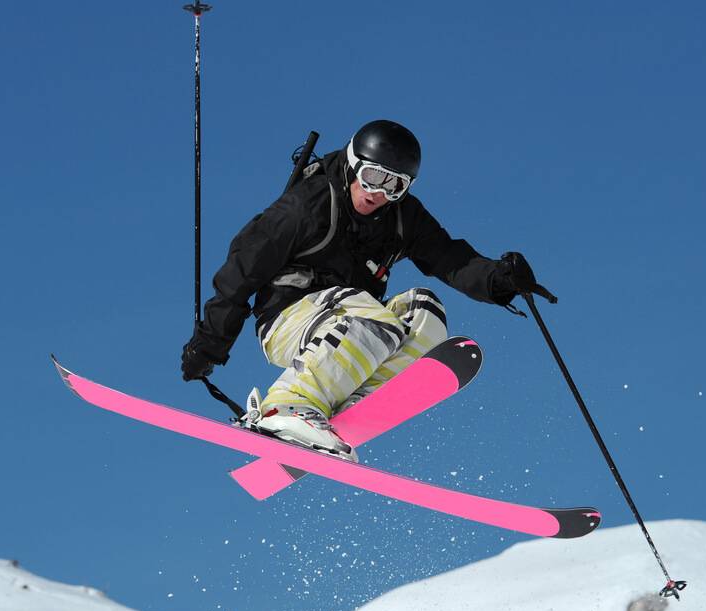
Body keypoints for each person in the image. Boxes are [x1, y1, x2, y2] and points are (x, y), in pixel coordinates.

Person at [180, 119, 545, 459]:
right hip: (286, 319)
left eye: (394, 185)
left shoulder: (403, 217)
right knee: (368, 311)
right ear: (354, 164)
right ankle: (287, 404)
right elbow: (242, 268)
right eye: (372, 177)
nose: (379, 193)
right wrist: (209, 343)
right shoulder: (309, 205)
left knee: (425, 311)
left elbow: (450, 258)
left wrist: (498, 279)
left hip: (352, 324)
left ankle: (353, 398)